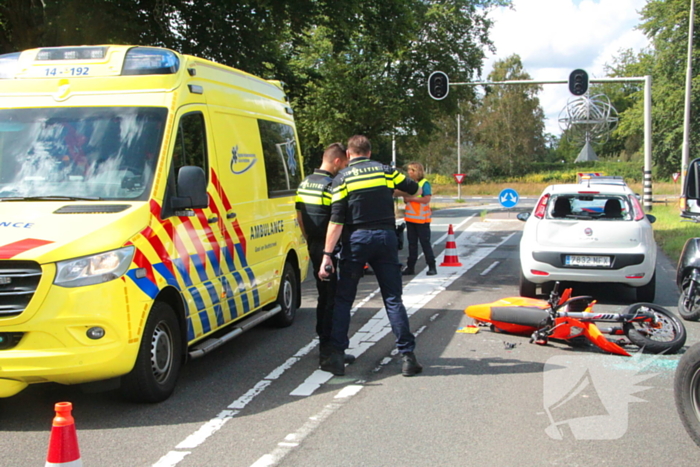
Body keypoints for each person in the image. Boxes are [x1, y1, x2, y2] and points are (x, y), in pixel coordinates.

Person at [319, 135, 423, 377]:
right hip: (385, 238)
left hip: (356, 241)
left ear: (348, 155)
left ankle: (336, 357)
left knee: (344, 300)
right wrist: (388, 193)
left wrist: (327, 255)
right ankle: (407, 357)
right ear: (369, 151)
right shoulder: (386, 171)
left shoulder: (341, 178)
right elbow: (416, 190)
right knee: (393, 298)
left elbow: (336, 220)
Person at [295, 143, 353, 367]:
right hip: (332, 249)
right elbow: (336, 220)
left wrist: (308, 239)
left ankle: (325, 345)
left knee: (324, 297)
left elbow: (300, 216)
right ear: (337, 161)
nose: (344, 167)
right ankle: (329, 351)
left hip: (314, 245)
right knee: (334, 300)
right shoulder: (332, 186)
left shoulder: (305, 183)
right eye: (344, 163)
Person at [401, 162, 437, 276]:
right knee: (412, 245)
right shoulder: (410, 184)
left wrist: (411, 199)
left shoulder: (424, 183)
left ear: (416, 171)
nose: (408, 172)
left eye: (410, 170)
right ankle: (410, 268)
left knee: (425, 244)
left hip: (422, 220)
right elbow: (405, 199)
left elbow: (426, 199)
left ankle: (432, 266)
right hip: (411, 219)